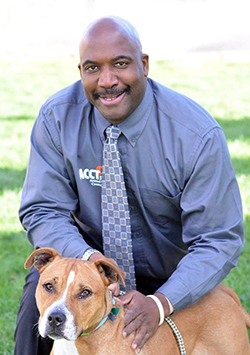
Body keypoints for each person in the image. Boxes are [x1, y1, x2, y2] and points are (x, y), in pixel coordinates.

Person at [15, 16, 244, 354]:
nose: (107, 81)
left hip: (169, 274)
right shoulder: (57, 118)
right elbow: (43, 208)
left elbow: (217, 239)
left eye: (121, 64)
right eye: (92, 68)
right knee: (37, 306)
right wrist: (90, 266)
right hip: (83, 268)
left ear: (145, 65)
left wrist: (163, 302)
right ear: (80, 71)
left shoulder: (196, 135)